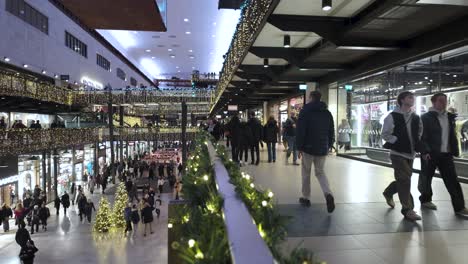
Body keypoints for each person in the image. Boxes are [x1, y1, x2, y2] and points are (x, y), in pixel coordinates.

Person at [418, 93, 468, 217]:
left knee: (452, 181)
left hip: (446, 154)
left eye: (445, 101)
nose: (444, 103)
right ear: (433, 102)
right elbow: (421, 136)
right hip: (431, 154)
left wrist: (455, 150)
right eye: (440, 101)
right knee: (426, 178)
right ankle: (425, 199)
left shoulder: (450, 117)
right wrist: (424, 151)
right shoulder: (425, 118)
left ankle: (460, 207)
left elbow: (452, 135)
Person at [381, 91, 423, 221]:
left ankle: (388, 192)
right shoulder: (392, 116)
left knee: (403, 179)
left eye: (413, 98)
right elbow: (385, 134)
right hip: (397, 153)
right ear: (402, 100)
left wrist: (416, 144)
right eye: (410, 97)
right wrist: (396, 141)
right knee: (405, 180)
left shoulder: (416, 117)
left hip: (411, 154)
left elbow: (420, 132)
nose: (412, 99)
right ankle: (408, 209)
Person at [296, 91, 336, 212]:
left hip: (308, 148)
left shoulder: (305, 111)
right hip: (322, 148)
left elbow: (300, 130)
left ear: (311, 98)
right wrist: (329, 145)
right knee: (320, 173)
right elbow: (331, 130)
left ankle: (306, 197)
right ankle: (328, 194)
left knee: (306, 173)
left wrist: (299, 147)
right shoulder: (327, 113)